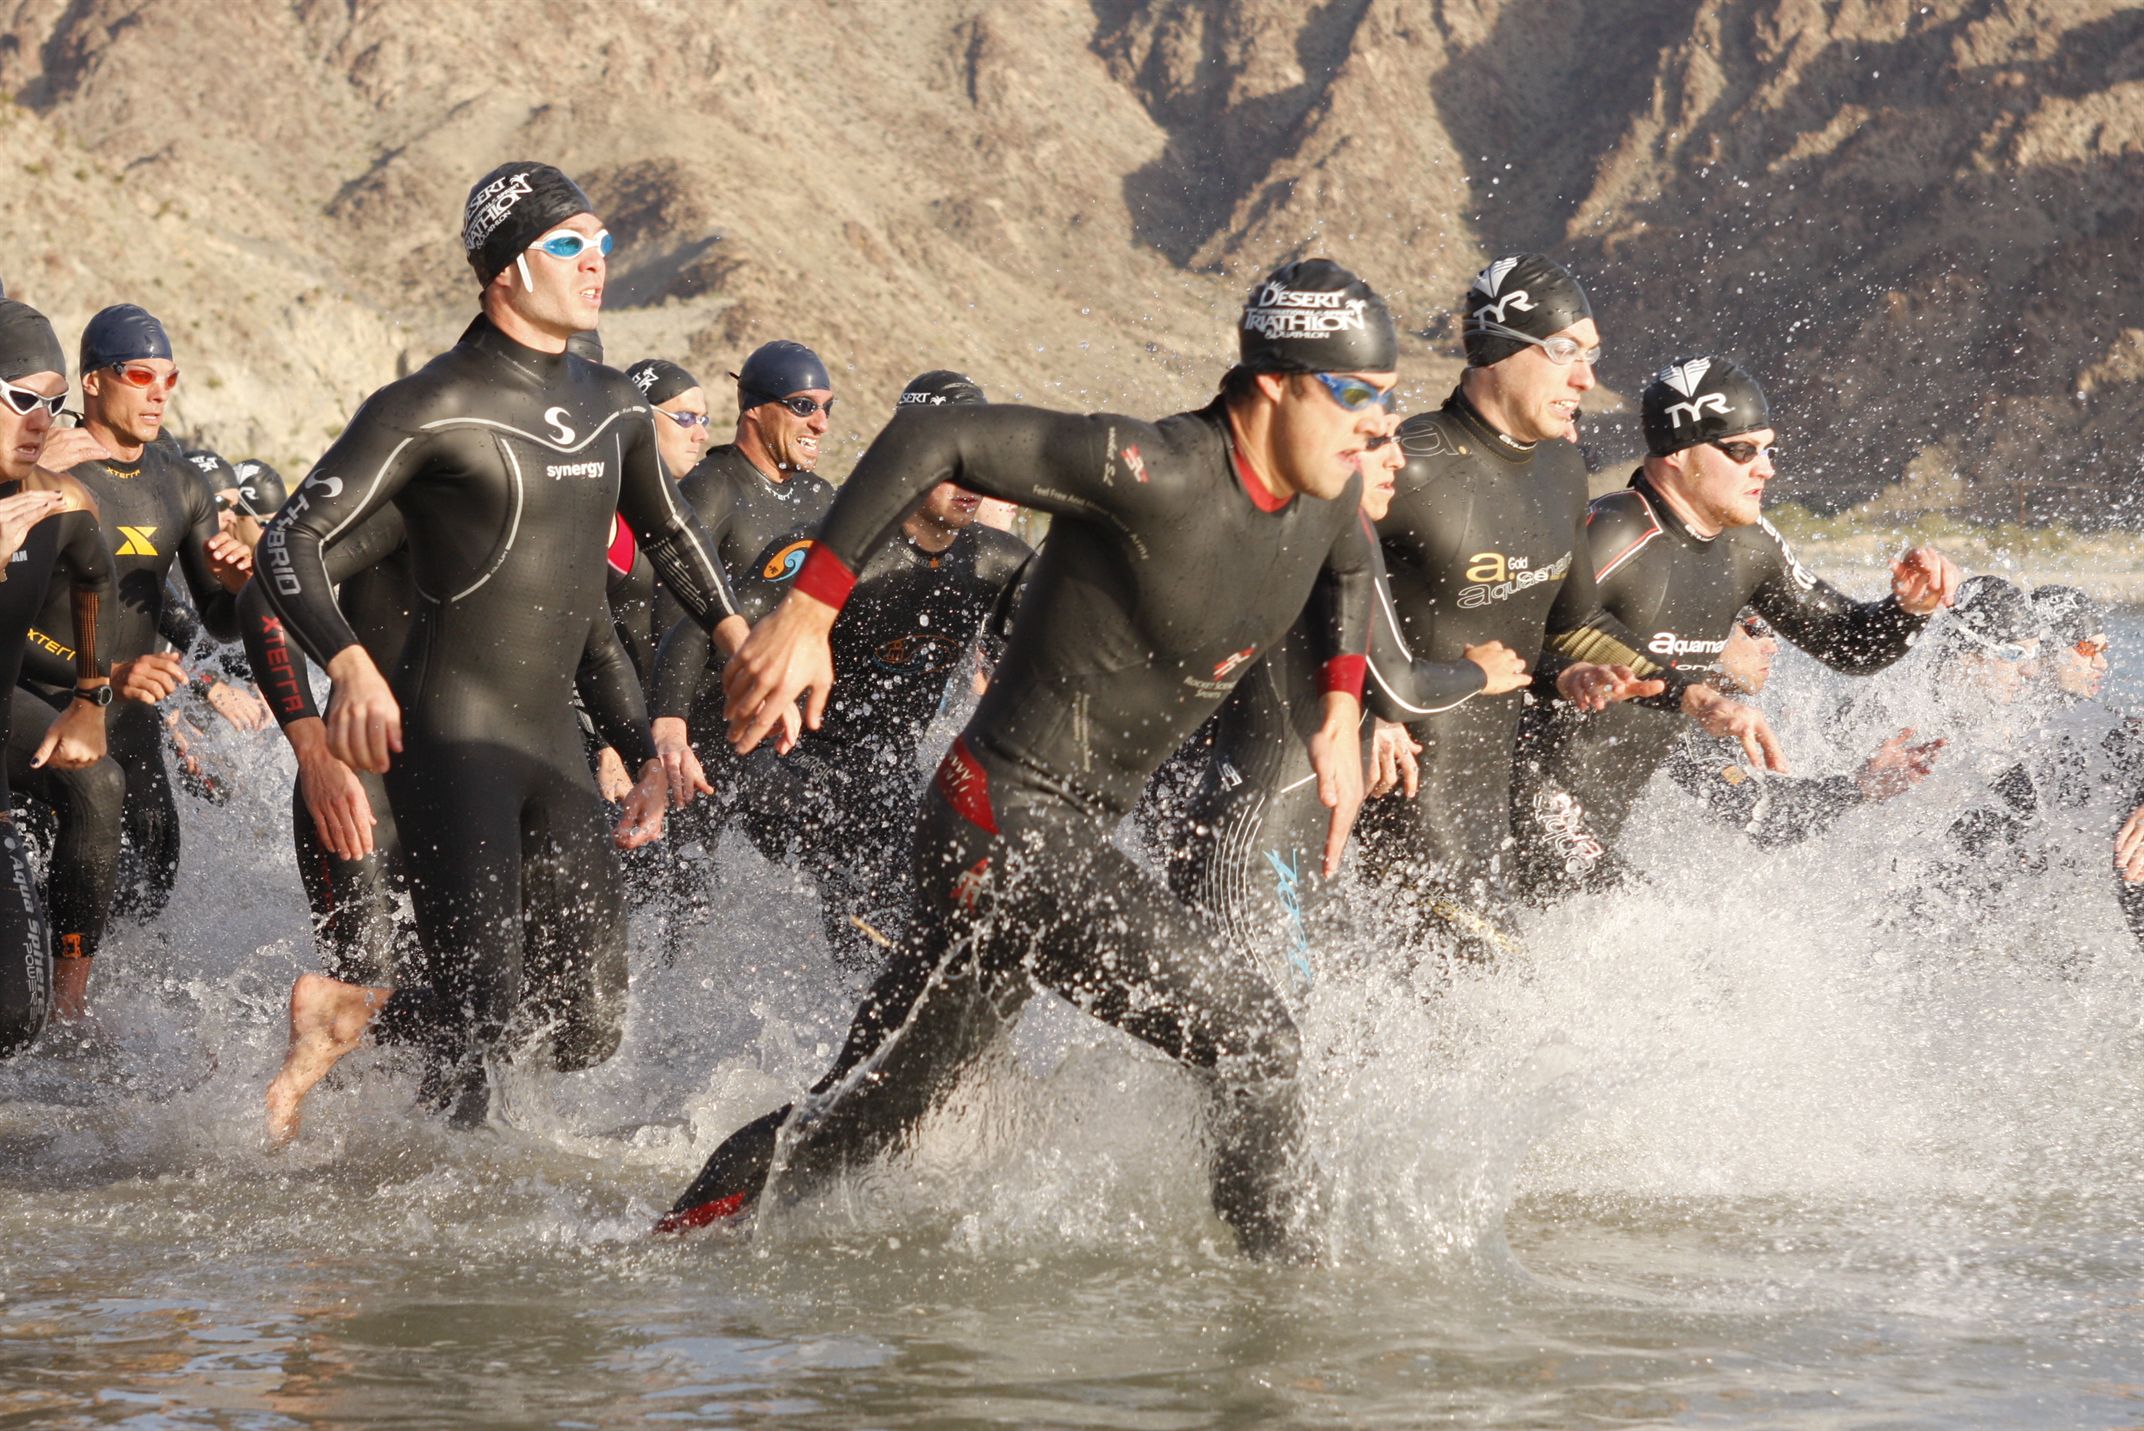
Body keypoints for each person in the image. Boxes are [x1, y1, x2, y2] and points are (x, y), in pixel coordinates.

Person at [662, 257, 1392, 1261]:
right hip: (999, 821)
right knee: (1254, 1039)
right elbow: (934, 436)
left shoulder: (1323, 491)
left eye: (1387, 401)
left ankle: (654, 1254)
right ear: (1273, 385)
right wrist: (809, 607)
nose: (1376, 425)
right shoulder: (1155, 472)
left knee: (867, 1114)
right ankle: (1280, 1317)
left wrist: (1342, 707)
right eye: (1355, 395)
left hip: (1046, 843)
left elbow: (1348, 559)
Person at [257, 161, 751, 1138]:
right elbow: (288, 542)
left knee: (587, 1026)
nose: (594, 262)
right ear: (503, 272)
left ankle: (359, 1014)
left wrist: (736, 641)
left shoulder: (613, 403)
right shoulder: (430, 404)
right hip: (450, 742)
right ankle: (446, 1236)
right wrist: (347, 666)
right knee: (485, 1031)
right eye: (566, 245)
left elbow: (668, 539)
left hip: (550, 751)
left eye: (601, 245)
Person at [1508, 354, 1959, 899]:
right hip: (1521, 793)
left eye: (1768, 449)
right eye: (1742, 451)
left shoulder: (1751, 545)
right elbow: (1500, 643)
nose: (1764, 467)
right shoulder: (1613, 532)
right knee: (1652, 931)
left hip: (1595, 825)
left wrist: (1908, 608)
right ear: (1676, 453)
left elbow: (1849, 646)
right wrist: (1570, 673)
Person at [1353, 254, 1688, 949]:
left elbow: (1574, 623)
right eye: (1564, 351)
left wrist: (1682, 694)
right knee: (1485, 1004)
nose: (1586, 378)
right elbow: (1288, 585)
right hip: (1399, 807)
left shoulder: (1563, 468)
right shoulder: (1407, 463)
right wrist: (1364, 710)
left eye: (1592, 355)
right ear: (1496, 350)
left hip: (1483, 814)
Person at [652, 369, 1032, 970]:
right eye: (953, 457)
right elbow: (698, 627)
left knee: (953, 910)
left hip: (884, 776)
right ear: (914, 455)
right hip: (785, 767)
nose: (971, 478)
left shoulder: (996, 562)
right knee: (869, 898)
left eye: (979, 457)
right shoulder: (835, 552)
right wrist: (670, 731)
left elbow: (1057, 660)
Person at [1158, 421, 1505, 989]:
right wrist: (1479, 673)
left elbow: (1338, 669)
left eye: (1395, 440)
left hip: (1284, 848)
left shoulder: (1315, 524)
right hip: (1252, 850)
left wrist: (1378, 720)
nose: (1398, 459)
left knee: (1330, 1044)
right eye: (1376, 443)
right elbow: (1401, 684)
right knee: (1273, 1049)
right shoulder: (1330, 526)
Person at [16, 305, 242, 941]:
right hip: (45, 703)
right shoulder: (48, 469)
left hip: (131, 722)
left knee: (148, 892)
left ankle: (92, 1022)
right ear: (92, 381)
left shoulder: (183, 484)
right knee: (38, 900)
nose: (158, 394)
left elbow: (218, 622)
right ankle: (62, 1019)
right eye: (140, 375)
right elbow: (12, 623)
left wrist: (243, 590)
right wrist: (105, 672)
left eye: (169, 379)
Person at [0, 297, 118, 1051]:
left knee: (16, 1018)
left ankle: (74, 1008)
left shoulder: (56, 501)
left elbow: (96, 576)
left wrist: (92, 697)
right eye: (20, 399)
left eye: (54, 402)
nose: (41, 420)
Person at [1659, 616, 1942, 852]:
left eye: (1774, 633)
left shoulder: (1714, 718)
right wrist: (1860, 785)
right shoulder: (1670, 725)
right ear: (1706, 634)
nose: (1772, 647)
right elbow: (1762, 813)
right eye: (1756, 631)